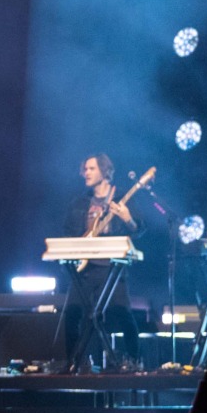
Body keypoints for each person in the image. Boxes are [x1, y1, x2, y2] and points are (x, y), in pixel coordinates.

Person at [61, 152, 145, 368]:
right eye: (85, 169)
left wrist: (127, 219)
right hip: (84, 270)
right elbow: (68, 234)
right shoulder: (80, 203)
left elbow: (139, 229)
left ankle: (133, 361)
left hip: (111, 268)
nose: (86, 173)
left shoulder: (121, 198)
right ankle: (74, 363)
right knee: (71, 314)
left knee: (123, 314)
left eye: (92, 169)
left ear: (105, 171)